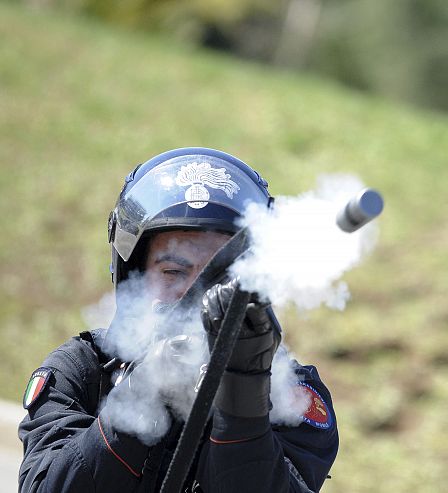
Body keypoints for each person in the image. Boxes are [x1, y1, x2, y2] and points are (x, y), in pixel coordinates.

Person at [18, 148, 338, 492]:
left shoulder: (292, 393)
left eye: (221, 274)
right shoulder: (82, 369)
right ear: (135, 275)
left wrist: (244, 394)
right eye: (173, 271)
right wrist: (143, 391)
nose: (195, 293)